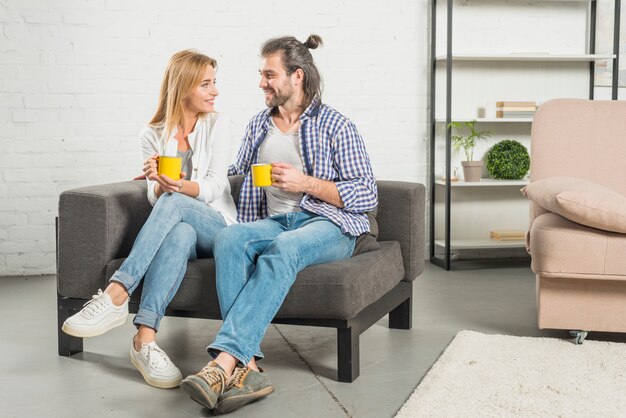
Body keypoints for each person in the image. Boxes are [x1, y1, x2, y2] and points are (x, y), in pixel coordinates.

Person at [180, 35, 377, 414]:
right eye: (261, 74)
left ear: (296, 76)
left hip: (329, 224)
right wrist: (182, 175)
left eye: (269, 74)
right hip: (274, 221)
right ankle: (248, 368)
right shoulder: (258, 125)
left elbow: (367, 195)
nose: (261, 83)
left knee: (282, 250)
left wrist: (306, 184)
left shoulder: (336, 126)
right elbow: (232, 174)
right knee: (230, 239)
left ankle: (222, 363)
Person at [62, 49, 238, 389]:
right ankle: (145, 339)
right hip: (184, 229)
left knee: (177, 204)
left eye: (214, 82)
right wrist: (156, 183)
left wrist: (176, 187)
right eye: (205, 84)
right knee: (180, 233)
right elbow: (154, 199)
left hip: (219, 227)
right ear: (183, 86)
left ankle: (117, 292)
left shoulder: (219, 124)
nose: (214, 91)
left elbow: (218, 185)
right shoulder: (152, 134)